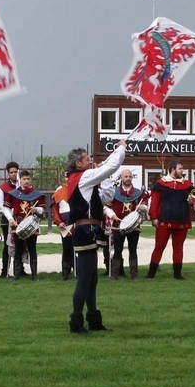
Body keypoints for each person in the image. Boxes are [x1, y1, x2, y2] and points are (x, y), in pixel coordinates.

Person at [59, 140, 126, 332]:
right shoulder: (83, 176)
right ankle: (77, 322)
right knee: (85, 278)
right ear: (78, 164)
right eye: (87, 159)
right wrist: (121, 147)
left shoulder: (83, 178)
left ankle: (93, 320)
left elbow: (107, 196)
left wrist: (103, 176)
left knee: (91, 278)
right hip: (85, 231)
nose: (90, 161)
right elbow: (113, 165)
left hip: (88, 231)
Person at [147, 159, 195, 279]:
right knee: (159, 247)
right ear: (173, 169)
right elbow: (155, 202)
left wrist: (192, 201)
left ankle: (177, 274)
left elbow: (194, 199)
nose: (182, 171)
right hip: (164, 220)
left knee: (178, 248)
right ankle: (151, 273)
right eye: (180, 169)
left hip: (182, 221)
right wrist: (153, 217)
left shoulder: (188, 185)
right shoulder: (161, 184)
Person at [102, 168, 148, 280]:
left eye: (130, 176)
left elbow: (146, 206)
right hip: (117, 225)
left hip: (133, 227)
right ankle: (114, 275)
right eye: (126, 176)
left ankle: (134, 275)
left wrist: (143, 207)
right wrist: (112, 215)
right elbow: (105, 207)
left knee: (133, 250)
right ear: (121, 178)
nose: (128, 179)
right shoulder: (114, 192)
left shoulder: (138, 193)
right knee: (117, 250)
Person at [3, 169, 47, 281]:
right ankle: (17, 274)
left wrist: (36, 209)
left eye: (28, 179)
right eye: (24, 179)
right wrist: (10, 219)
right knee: (18, 249)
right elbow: (6, 208)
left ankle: (34, 275)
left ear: (30, 179)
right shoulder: (14, 194)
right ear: (20, 180)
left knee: (32, 249)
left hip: (32, 225)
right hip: (17, 224)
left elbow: (43, 210)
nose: (26, 181)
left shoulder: (37, 194)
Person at [0, 161, 19, 278]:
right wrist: (9, 215)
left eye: (16, 172)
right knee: (7, 245)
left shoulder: (23, 185)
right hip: (7, 220)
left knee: (21, 245)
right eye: (12, 172)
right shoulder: (2, 188)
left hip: (20, 219)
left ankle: (19, 269)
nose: (14, 174)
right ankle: (5, 271)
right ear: (8, 173)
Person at [51, 182, 73, 281]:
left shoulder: (80, 186)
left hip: (78, 222)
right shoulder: (59, 190)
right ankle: (65, 273)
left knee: (80, 248)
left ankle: (80, 271)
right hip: (65, 223)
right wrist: (58, 222)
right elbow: (55, 209)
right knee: (67, 248)